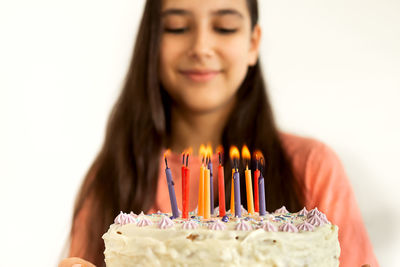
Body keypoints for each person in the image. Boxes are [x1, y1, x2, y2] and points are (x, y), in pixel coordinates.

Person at [59, 0, 379, 266]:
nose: (201, 47)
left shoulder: (312, 166)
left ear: (253, 44)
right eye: (177, 28)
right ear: (151, 43)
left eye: (224, 27)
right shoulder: (114, 173)